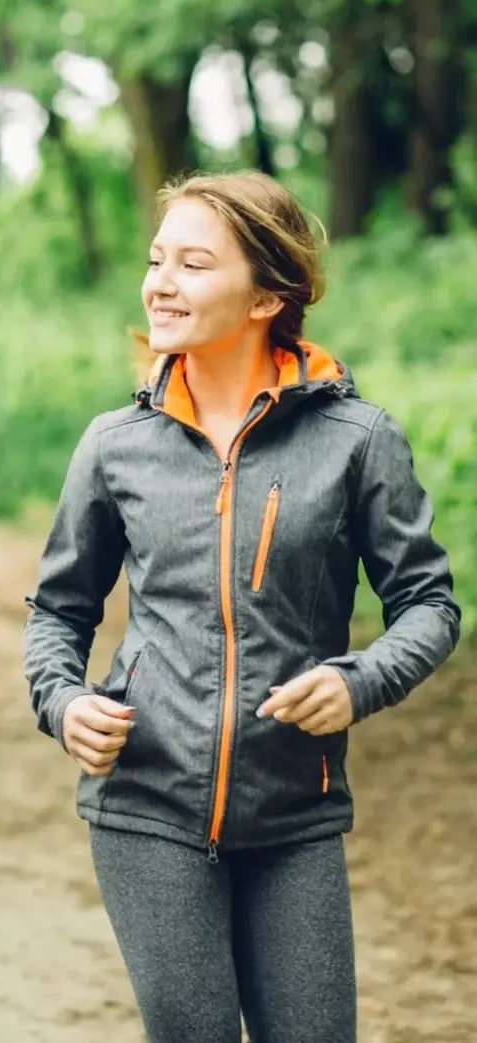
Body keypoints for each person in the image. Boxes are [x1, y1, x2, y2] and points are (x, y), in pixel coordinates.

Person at [23, 170, 460, 1043]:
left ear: (268, 294)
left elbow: (429, 603)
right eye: (157, 261)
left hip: (295, 810)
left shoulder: (356, 441)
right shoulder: (116, 445)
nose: (161, 283)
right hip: (145, 803)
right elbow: (57, 611)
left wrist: (359, 680)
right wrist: (63, 701)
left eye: (192, 264)